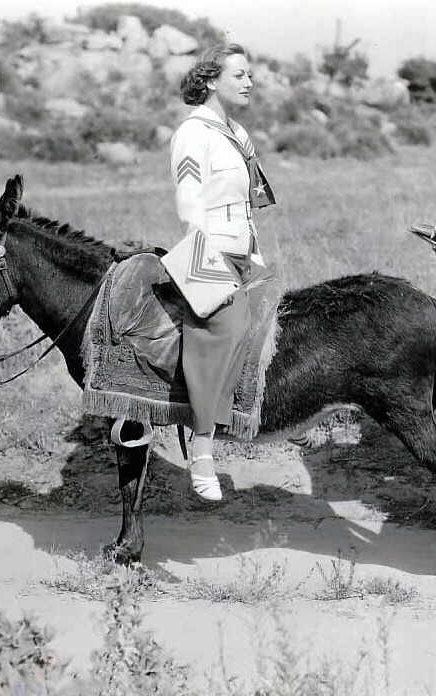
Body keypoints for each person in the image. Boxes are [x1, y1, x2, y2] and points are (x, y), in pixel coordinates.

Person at [166, 44, 274, 502]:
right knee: (225, 328)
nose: (249, 82)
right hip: (207, 251)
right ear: (210, 80)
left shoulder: (239, 133)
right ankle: (203, 450)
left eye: (251, 75)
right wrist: (208, 273)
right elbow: (189, 207)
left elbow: (253, 201)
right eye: (239, 75)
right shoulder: (193, 133)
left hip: (245, 252)